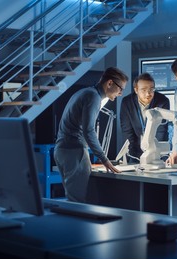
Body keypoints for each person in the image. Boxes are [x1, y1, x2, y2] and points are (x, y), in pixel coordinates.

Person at [54, 67, 128, 203]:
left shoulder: (84, 92)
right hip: (74, 151)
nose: (121, 93)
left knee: (72, 199)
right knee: (79, 202)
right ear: (110, 83)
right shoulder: (93, 97)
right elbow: (89, 130)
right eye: (120, 89)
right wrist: (104, 158)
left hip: (62, 150)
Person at [120, 73, 170, 163]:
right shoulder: (127, 102)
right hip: (135, 151)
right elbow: (127, 131)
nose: (148, 93)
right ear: (136, 90)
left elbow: (161, 130)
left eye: (151, 89)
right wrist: (132, 155)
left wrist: (158, 154)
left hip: (157, 150)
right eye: (143, 90)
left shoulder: (163, 101)